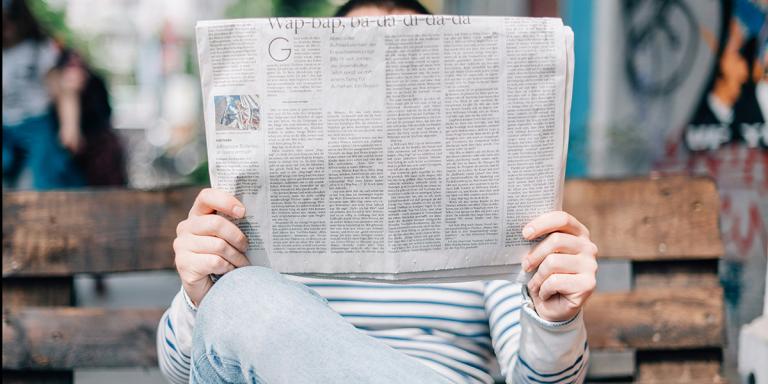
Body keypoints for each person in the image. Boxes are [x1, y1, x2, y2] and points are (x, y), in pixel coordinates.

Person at [157, 1, 597, 383]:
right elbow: (185, 371)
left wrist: (554, 319)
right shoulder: (252, 215)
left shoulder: (489, 209)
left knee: (242, 298)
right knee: (240, 298)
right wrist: (199, 295)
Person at [2, 0, 84, 189]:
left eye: (10, 21)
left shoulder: (38, 49)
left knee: (44, 170)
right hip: (6, 124)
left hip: (36, 121)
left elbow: (63, 91)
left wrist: (70, 126)